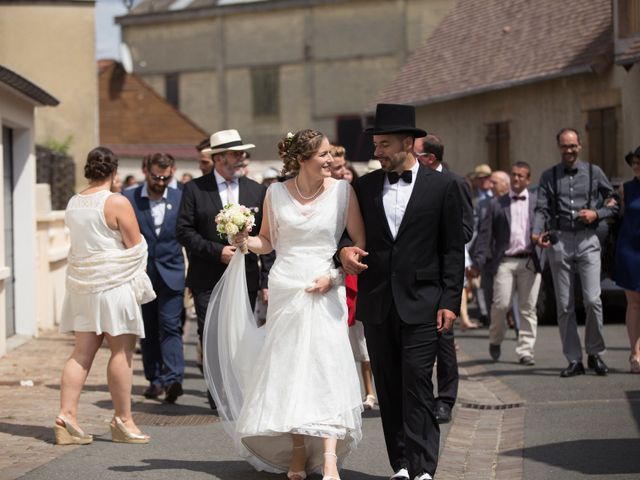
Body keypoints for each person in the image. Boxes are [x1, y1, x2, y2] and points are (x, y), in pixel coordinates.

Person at [206, 129, 366, 479]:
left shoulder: (343, 191)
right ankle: (296, 453)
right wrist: (245, 240)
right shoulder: (275, 193)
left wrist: (335, 276)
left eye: (330, 155)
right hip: (285, 287)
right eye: (323, 155)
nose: (330, 160)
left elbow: (358, 242)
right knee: (291, 371)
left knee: (326, 368)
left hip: (325, 286)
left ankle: (328, 457)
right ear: (303, 159)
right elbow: (268, 241)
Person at [341, 104, 465, 480]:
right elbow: (346, 235)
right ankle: (401, 465)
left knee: (417, 385)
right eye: (375, 144)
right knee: (389, 387)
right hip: (378, 302)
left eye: (384, 144)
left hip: (424, 303)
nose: (376, 152)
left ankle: (424, 467)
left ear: (410, 143)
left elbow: (452, 249)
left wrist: (450, 301)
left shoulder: (445, 186)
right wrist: (343, 251)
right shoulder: (361, 187)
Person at [55, 147, 154, 445]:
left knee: (81, 353)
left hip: (82, 286)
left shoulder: (73, 202)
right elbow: (135, 245)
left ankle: (66, 416)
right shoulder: (116, 202)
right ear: (114, 172)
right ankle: (124, 420)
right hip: (114, 286)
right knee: (121, 351)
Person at [176, 129, 267, 409]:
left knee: (241, 331)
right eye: (235, 153)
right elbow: (183, 230)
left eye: (242, 153)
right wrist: (217, 251)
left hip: (247, 275)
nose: (241, 157)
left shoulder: (256, 190)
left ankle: (239, 386)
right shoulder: (195, 189)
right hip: (208, 275)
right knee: (212, 332)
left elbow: (268, 236)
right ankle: (217, 390)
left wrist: (265, 280)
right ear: (218, 158)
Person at [532, 128, 618, 377]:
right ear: (558, 147)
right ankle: (573, 359)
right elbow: (541, 208)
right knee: (565, 304)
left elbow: (613, 202)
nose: (569, 150)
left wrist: (597, 214)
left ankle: (595, 352)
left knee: (593, 300)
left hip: (588, 238)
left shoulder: (594, 172)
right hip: (560, 241)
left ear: (580, 145)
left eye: (572, 145)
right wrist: (536, 233)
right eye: (564, 146)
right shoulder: (549, 176)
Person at [415, 133, 474, 424]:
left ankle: (446, 399)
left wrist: (433, 237)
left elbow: (465, 231)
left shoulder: (455, 183)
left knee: (443, 339)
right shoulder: (413, 182)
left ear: (431, 159)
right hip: (415, 275)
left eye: (417, 156)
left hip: (441, 273)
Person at [123, 153, 186, 402]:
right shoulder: (128, 198)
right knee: (147, 328)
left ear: (173, 172)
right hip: (141, 275)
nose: (160, 182)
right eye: (156, 176)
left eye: (166, 177)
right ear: (144, 170)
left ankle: (173, 380)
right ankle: (155, 380)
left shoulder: (181, 198)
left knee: (171, 326)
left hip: (172, 272)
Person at [471, 162, 542, 365]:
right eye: (514, 175)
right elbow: (485, 235)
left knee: (528, 308)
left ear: (528, 180)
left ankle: (526, 351)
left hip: (529, 260)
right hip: (504, 262)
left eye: (521, 176)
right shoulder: (497, 203)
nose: (517, 179)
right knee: (500, 305)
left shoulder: (537, 202)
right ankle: (495, 339)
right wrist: (478, 261)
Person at [329, 146, 375, 411]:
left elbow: (360, 237)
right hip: (321, 270)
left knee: (359, 335)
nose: (343, 171)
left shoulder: (352, 194)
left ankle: (369, 391)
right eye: (337, 167)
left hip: (350, 272)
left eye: (345, 166)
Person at [615, 146, 640, 373]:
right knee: (634, 303)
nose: (636, 166)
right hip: (630, 250)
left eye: (639, 162)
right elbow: (618, 217)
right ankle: (635, 353)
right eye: (633, 162)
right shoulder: (626, 189)